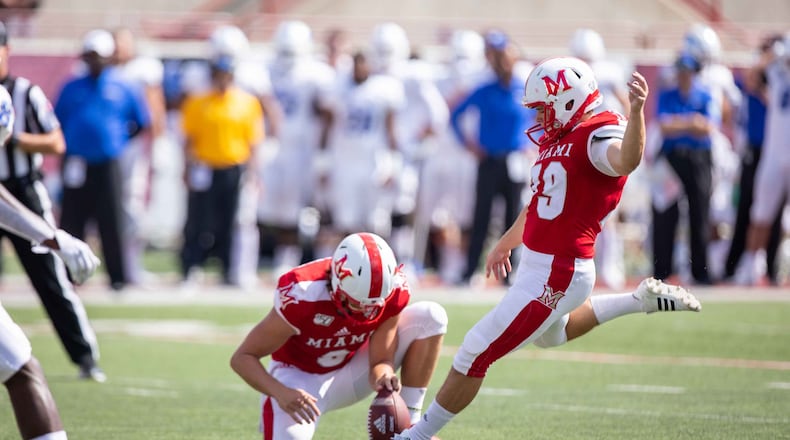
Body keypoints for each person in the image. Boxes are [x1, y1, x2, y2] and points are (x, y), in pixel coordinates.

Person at [395, 57, 701, 440]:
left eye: (544, 107)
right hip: (541, 267)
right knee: (550, 335)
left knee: (474, 350)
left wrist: (637, 113)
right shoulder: (559, 139)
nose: (539, 117)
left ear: (568, 100)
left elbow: (626, 159)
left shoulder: (597, 132)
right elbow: (540, 202)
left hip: (560, 269)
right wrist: (505, 244)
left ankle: (416, 437)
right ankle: (637, 300)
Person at [230, 232, 447, 439]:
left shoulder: (393, 290)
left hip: (350, 369)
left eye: (374, 306)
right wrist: (281, 392)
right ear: (337, 285)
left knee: (431, 316)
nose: (366, 313)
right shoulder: (303, 294)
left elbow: (380, 360)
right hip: (298, 381)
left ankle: (410, 431)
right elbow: (242, 358)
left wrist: (384, 375)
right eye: (357, 304)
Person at [0, 20, 104, 381]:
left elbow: (56, 143)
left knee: (50, 280)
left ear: (7, 50)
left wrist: (15, 140)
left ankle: (85, 356)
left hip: (22, 189)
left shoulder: (24, 92)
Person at [54, 28, 150, 291]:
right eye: (92, 56)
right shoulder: (71, 87)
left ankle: (118, 277)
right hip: (77, 163)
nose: (96, 62)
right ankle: (68, 275)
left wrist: (117, 142)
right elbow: (57, 121)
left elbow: (140, 122)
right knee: (72, 220)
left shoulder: (123, 86)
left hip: (109, 163)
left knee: (112, 221)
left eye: (100, 57)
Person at [451, 30, 534, 285]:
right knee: (482, 217)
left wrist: (531, 144)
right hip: (489, 162)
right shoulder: (485, 89)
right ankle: (470, 271)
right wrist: (469, 144)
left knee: (514, 218)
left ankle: (509, 274)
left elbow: (539, 121)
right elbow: (456, 115)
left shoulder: (524, 89)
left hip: (515, 162)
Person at [179, 47, 264, 286]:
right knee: (197, 221)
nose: (222, 78)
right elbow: (189, 139)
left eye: (225, 74)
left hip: (233, 167)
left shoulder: (246, 102)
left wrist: (254, 173)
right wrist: (185, 168)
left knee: (229, 222)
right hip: (204, 167)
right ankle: (191, 267)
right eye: (218, 73)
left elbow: (254, 141)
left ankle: (228, 270)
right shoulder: (198, 102)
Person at [724, 34, 785, 284]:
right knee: (759, 213)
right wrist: (775, 55)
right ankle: (749, 265)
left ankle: (772, 268)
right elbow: (752, 79)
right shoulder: (776, 73)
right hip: (769, 153)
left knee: (778, 217)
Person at [652, 53, 716, 285]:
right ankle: (662, 271)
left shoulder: (705, 94)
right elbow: (665, 126)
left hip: (698, 158)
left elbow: (708, 127)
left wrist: (679, 123)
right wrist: (692, 122)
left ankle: (701, 271)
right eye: (679, 71)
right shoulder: (668, 94)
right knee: (664, 212)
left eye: (686, 71)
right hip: (671, 158)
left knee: (699, 213)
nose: (682, 75)